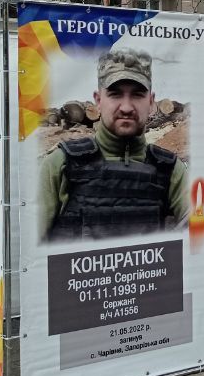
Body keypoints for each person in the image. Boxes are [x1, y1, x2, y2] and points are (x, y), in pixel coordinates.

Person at [42, 49, 188, 239]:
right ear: (98, 101)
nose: (126, 107)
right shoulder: (59, 165)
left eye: (137, 95)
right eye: (115, 94)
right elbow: (31, 255)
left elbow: (199, 237)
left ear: (151, 102)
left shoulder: (171, 170)